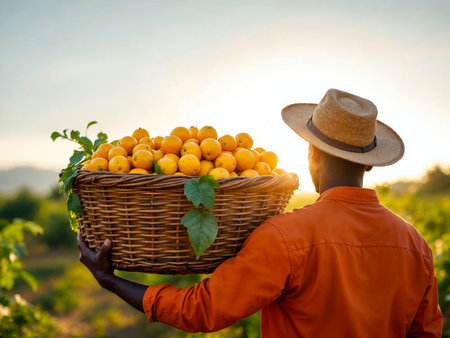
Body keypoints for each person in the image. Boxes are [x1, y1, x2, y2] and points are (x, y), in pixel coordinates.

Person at [77, 89, 443, 337]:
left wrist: (110, 280)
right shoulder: (415, 246)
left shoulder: (286, 236)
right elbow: (426, 332)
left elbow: (203, 310)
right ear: (369, 165)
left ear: (311, 153)